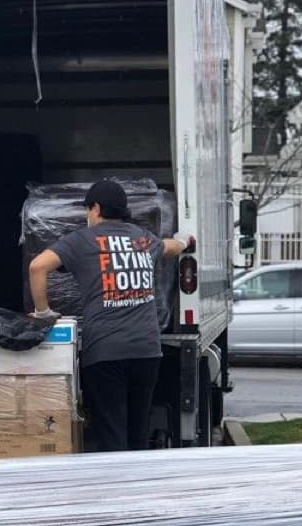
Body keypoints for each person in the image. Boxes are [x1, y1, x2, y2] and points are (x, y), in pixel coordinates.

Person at [27, 179, 192, 453]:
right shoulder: (142, 238)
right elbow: (170, 247)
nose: (86, 216)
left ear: (96, 208)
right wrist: (186, 240)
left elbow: (37, 267)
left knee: (112, 435)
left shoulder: (82, 240)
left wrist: (43, 312)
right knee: (138, 432)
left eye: (87, 210)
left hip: (105, 354)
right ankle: (137, 489)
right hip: (147, 352)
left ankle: (117, 492)